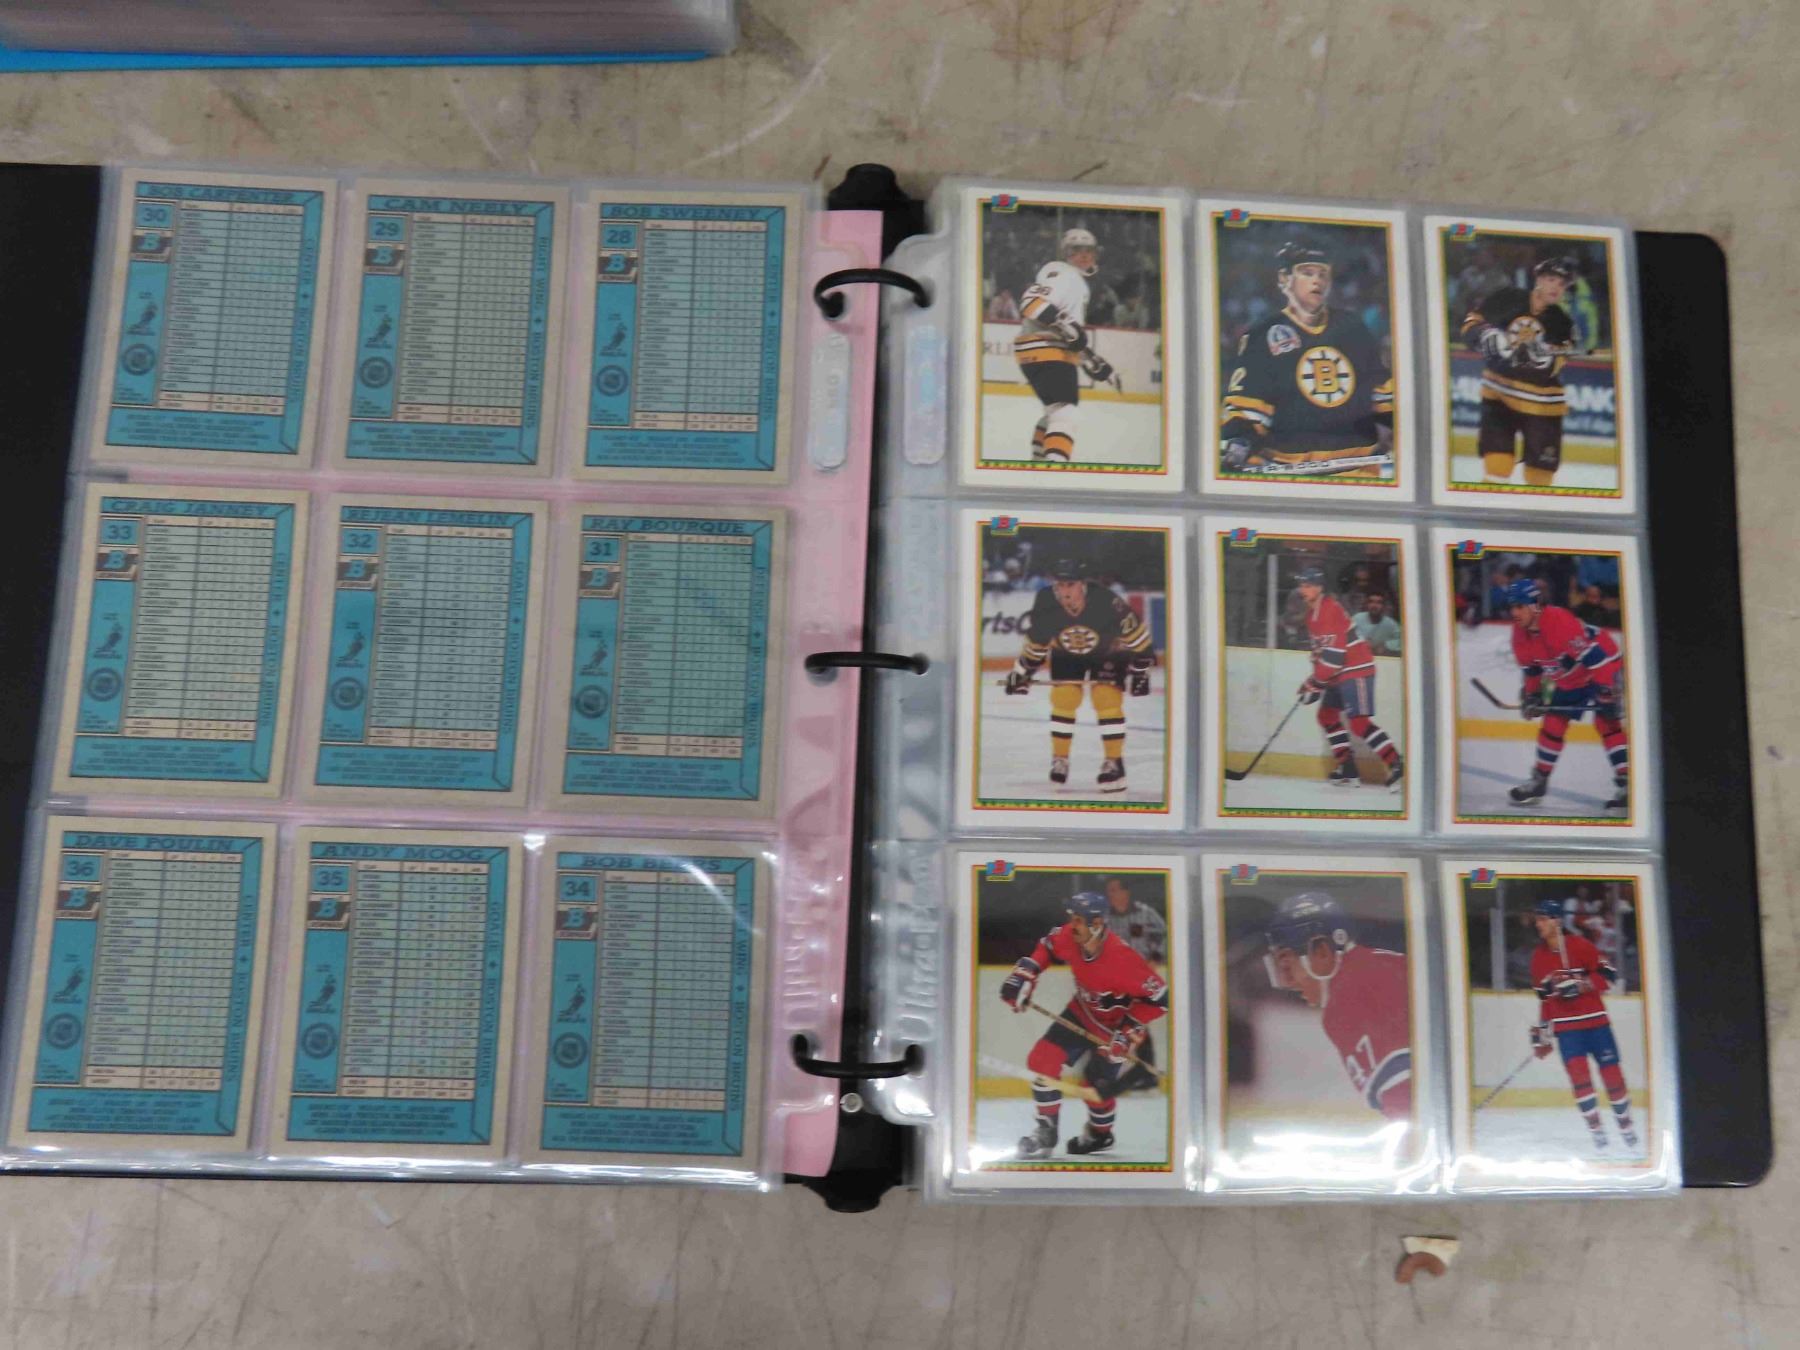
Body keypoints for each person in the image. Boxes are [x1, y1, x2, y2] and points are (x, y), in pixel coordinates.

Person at [1000, 891, 1168, 1159]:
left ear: (1097, 924)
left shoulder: (1123, 959)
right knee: (1042, 1060)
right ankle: (1046, 1131)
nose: (1072, 925)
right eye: (1072, 918)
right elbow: (1047, 947)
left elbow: (1161, 999)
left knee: (1095, 1087)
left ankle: (1101, 1135)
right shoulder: (1069, 936)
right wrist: (1026, 973)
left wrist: (1127, 1032)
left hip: (1112, 1030)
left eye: (1078, 920)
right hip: (1080, 1013)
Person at [1219, 236, 1394, 478]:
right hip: (1288, 472)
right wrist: (1240, 442)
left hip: (1357, 470)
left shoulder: (1353, 327)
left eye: (1323, 274)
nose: (1317, 281)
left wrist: (1396, 425)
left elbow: (1380, 392)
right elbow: (1247, 409)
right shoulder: (1262, 334)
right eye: (1307, 273)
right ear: (1284, 279)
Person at [1005, 557, 1154, 794]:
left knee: (1106, 698)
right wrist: (1022, 671)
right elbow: (1037, 642)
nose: (1064, 591)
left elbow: (1138, 638)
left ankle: (1114, 763)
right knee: (1064, 698)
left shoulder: (1107, 601)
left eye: (1070, 585)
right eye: (1059, 585)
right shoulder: (1045, 600)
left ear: (1082, 584)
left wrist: (1140, 671)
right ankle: (1060, 759)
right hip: (1066, 652)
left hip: (1107, 652)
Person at [1262, 892, 1412, 1121]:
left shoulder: (1343, 999)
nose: (1290, 983)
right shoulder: (1385, 963)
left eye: (1288, 965)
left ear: (1321, 951)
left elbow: (1401, 1094)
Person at [1504, 576, 1628, 811]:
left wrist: (1607, 690)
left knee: (1606, 722)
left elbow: (1597, 660)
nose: (1514, 613)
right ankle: (1539, 782)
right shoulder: (1519, 634)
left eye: (1519, 606)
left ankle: (1627, 782)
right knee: (1553, 723)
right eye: (1512, 607)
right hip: (1570, 677)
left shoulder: (1559, 622)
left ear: (1535, 605)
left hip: (1603, 664)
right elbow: (1532, 671)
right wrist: (1532, 695)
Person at [1527, 898, 1639, 1152]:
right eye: (1537, 920)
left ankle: (1625, 1126)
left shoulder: (1581, 945)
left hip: (1597, 1025)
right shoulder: (1538, 959)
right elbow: (1544, 999)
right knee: (1581, 1081)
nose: (1538, 924)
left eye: (1543, 919)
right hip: (1567, 1031)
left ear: (1557, 921)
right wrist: (1543, 1031)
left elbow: (1610, 974)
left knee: (1613, 1077)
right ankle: (1597, 1130)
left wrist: (1583, 985)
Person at [1461, 255, 1579, 487]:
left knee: (1539, 478)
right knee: (1496, 469)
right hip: (1498, 395)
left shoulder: (1562, 322)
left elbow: (1560, 358)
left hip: (1542, 406)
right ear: (1538, 279)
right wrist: (1484, 335)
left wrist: (1545, 360)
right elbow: (1470, 323)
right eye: (1551, 279)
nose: (1556, 287)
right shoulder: (1508, 298)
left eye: (1562, 283)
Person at [1013, 227, 1119, 463]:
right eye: (1076, 250)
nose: (1084, 255)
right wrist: (1068, 327)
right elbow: (1032, 303)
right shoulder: (1062, 272)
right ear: (1065, 253)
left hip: (1040, 348)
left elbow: (1070, 333)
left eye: (1088, 250)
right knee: (1066, 413)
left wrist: (1090, 358)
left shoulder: (1074, 280)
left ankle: (1039, 463)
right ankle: (1055, 468)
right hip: (1047, 348)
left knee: (1054, 413)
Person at [1294, 566, 1404, 790]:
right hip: (1338, 673)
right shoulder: (1312, 616)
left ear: (1319, 587)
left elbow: (1335, 658)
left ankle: (1396, 765)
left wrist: (1315, 683)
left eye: (1307, 585)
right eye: (1301, 585)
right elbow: (1321, 653)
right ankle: (1348, 769)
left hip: (1356, 668)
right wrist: (1312, 682)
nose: (1302, 590)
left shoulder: (1330, 610)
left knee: (1359, 722)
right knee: (1326, 715)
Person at [1104, 876, 1167, 1094]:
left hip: (1140, 978)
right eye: (1109, 891)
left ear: (1126, 892)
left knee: (1136, 1022)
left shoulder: (1145, 912)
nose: (1111, 895)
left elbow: (1164, 934)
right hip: (1114, 978)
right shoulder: (1105, 917)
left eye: (1114, 890)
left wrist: (1156, 958)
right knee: (1116, 1022)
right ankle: (1139, 1074)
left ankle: (1145, 1074)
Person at [1351, 590, 1403, 655]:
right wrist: (1361, 642)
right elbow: (1347, 636)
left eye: (1379, 602)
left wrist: (1386, 645)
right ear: (1366, 604)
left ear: (1384, 606)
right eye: (1371, 602)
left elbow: (1402, 640)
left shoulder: (1391, 624)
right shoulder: (1357, 618)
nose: (1374, 605)